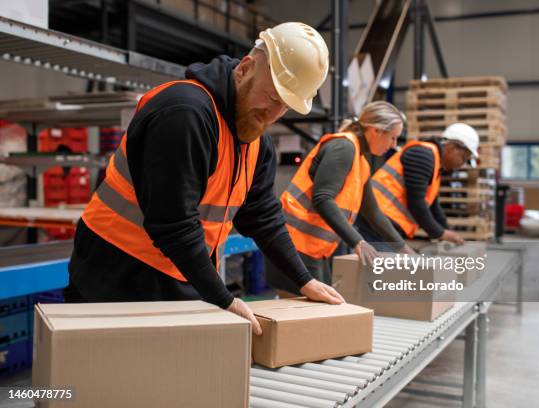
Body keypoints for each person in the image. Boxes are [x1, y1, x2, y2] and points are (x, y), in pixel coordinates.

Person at [65, 22, 345, 335]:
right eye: (271, 97)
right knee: (107, 377)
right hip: (114, 276)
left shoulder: (256, 140)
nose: (272, 113)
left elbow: (263, 217)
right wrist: (223, 299)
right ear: (245, 69)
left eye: (285, 106)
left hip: (177, 273)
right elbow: (173, 224)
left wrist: (303, 279)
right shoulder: (185, 113)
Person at [265, 101, 414, 296]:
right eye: (393, 137)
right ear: (375, 131)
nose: (394, 145)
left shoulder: (361, 162)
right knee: (306, 316)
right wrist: (358, 241)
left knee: (318, 312)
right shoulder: (343, 148)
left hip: (310, 249)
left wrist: (402, 247)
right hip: (292, 245)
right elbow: (323, 198)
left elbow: (373, 213)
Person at [369, 122, 480, 244]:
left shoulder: (435, 164)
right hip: (375, 221)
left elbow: (433, 207)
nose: (462, 164)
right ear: (453, 147)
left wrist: (446, 232)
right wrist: (440, 233)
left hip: (384, 223)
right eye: (463, 158)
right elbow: (416, 203)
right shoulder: (423, 156)